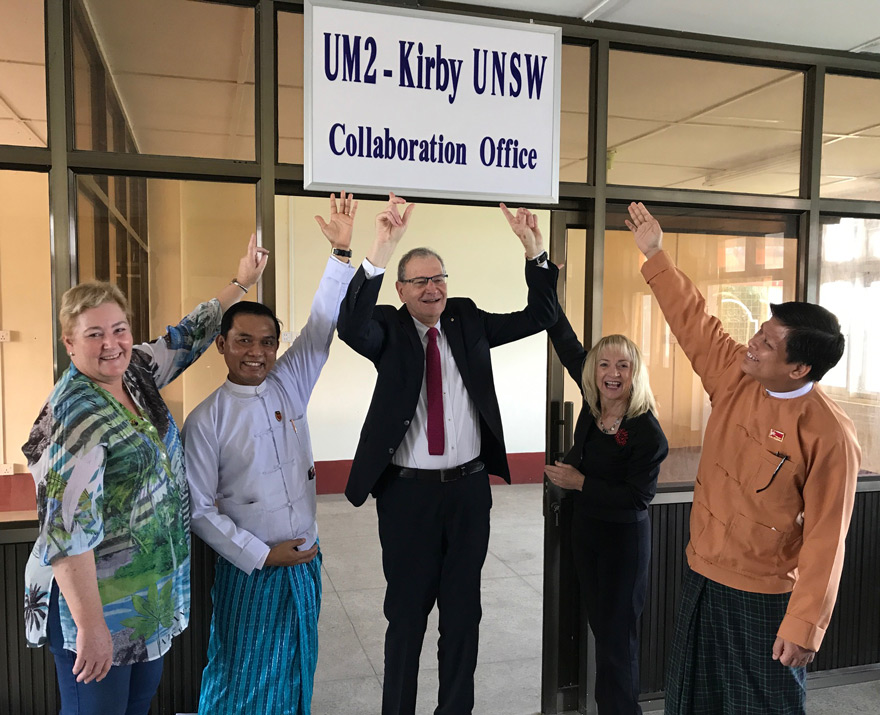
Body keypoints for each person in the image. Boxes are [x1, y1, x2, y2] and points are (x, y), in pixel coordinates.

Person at [624, 202, 861, 714]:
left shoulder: (828, 435)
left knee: (763, 706)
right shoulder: (737, 375)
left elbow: (826, 540)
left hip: (765, 596)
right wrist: (655, 255)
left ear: (799, 367)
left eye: (768, 344)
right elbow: (694, 321)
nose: (751, 345)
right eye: (758, 332)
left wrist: (804, 627)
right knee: (692, 699)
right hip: (703, 574)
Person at [21, 236, 268, 715]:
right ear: (69, 342)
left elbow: (184, 339)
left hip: (142, 602)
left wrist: (240, 284)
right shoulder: (76, 418)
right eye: (94, 334)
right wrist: (92, 630)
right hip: (93, 613)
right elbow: (66, 533)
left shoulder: (132, 372)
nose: (111, 343)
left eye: (119, 329)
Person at [337, 194, 558, 715]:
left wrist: (535, 254)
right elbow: (349, 326)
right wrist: (379, 249)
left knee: (463, 615)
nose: (434, 288)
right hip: (407, 495)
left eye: (439, 278)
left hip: (467, 492)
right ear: (401, 289)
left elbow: (541, 315)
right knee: (407, 617)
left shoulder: (466, 319)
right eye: (421, 281)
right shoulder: (387, 328)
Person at [181, 192, 358, 715]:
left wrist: (340, 255)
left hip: (304, 561)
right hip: (250, 572)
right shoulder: (206, 420)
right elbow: (199, 510)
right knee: (242, 672)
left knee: (297, 670)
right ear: (221, 345)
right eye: (243, 341)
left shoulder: (288, 385)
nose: (256, 352)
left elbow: (322, 327)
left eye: (267, 342)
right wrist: (261, 555)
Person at [544, 322, 668, 714]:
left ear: (636, 374)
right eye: (604, 365)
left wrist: (580, 482)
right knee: (601, 633)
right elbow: (564, 340)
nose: (612, 374)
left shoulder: (646, 431)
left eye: (623, 366)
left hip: (623, 545)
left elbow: (637, 498)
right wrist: (540, 267)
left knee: (617, 643)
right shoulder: (593, 404)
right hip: (587, 534)